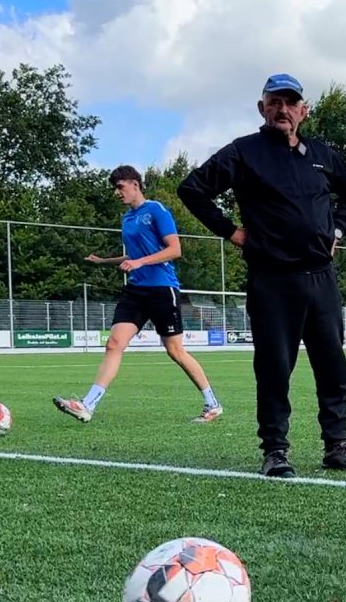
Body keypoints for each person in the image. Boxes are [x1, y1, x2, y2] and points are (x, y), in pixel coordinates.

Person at [176, 73, 346, 478]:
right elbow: (192, 189)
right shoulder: (244, 152)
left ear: (304, 110)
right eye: (274, 102)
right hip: (272, 281)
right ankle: (275, 450)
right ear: (261, 108)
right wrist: (231, 231)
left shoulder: (322, 154)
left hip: (321, 277)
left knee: (333, 365)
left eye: (290, 102)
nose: (283, 110)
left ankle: (337, 446)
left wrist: (337, 230)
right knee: (274, 367)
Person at [53, 165, 223, 424]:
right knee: (114, 344)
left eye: (120, 187)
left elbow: (174, 249)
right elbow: (133, 256)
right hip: (135, 290)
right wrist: (104, 261)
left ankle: (212, 404)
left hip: (162, 289)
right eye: (115, 188)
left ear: (135, 184)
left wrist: (141, 263)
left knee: (175, 351)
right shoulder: (127, 219)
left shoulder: (156, 210)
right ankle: (87, 404)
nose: (117, 193)